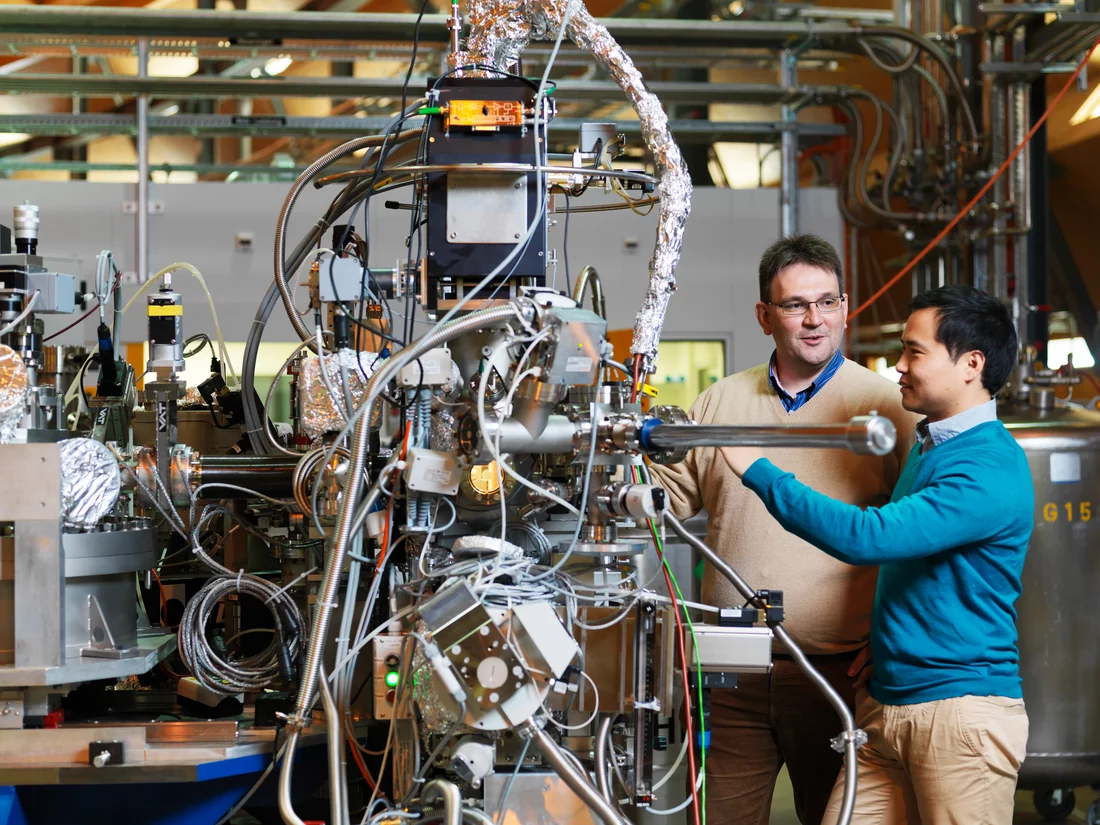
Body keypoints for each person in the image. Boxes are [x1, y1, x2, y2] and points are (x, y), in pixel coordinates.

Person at [719, 285, 1033, 824]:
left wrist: (760, 471)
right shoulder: (934, 445)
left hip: (958, 714)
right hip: (886, 705)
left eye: (914, 352)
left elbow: (872, 538)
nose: (898, 367)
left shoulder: (988, 467)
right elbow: (919, 571)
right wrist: (883, 642)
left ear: (971, 364)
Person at [648, 234, 920, 825]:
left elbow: (919, 538)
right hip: (732, 670)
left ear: (846, 306)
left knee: (837, 817)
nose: (815, 319)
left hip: (838, 672)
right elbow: (663, 503)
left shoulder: (886, 409)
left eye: (827, 302)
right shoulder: (719, 403)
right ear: (764, 316)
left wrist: (895, 638)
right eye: (796, 305)